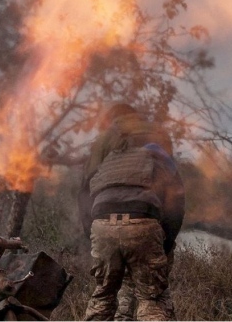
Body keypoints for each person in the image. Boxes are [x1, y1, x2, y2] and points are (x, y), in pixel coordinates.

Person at [79, 103, 185, 321]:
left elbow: (84, 193)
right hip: (143, 220)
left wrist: (91, 232)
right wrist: (165, 242)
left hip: (102, 223)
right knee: (151, 300)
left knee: (103, 297)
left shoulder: (104, 144)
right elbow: (176, 196)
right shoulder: (156, 140)